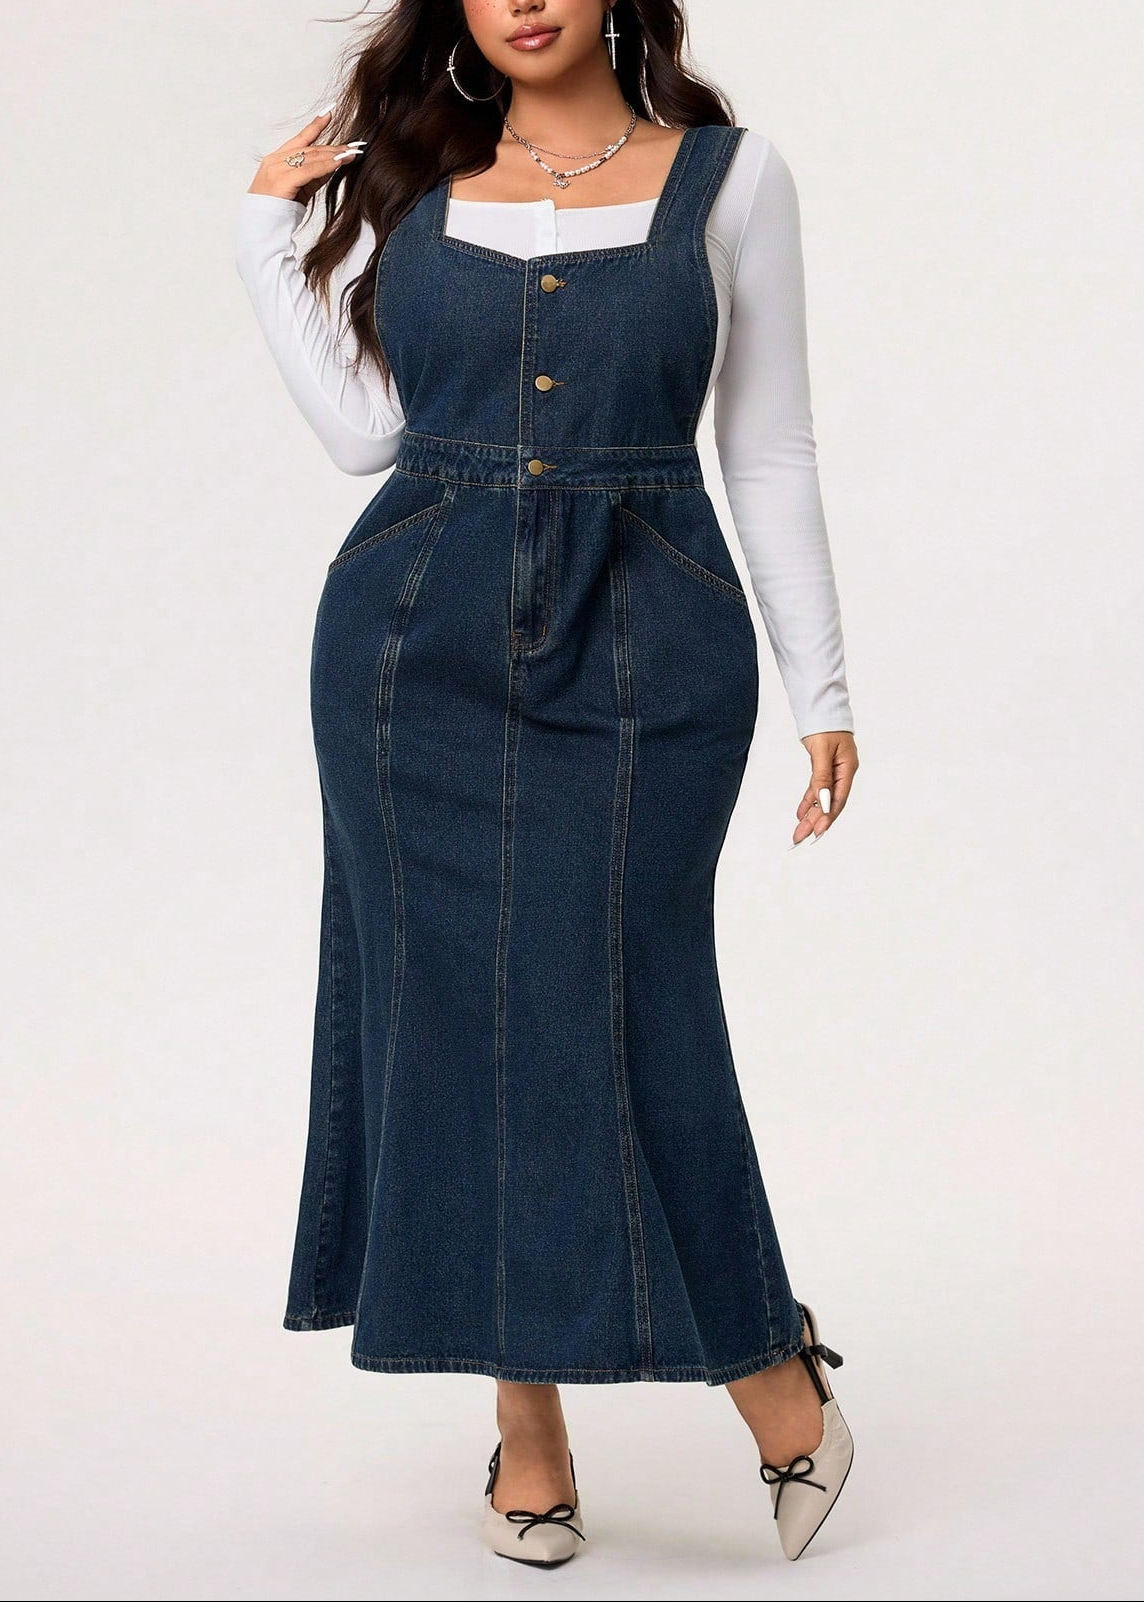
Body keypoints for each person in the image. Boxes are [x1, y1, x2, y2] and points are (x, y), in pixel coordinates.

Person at [234, 0, 860, 1568]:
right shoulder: (419, 176)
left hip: (650, 641)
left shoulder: (732, 178)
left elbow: (768, 448)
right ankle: (529, 1427)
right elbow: (368, 436)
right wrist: (262, 236)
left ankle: (769, 1364)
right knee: (451, 1019)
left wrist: (824, 688)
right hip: (412, 650)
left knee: (626, 996)